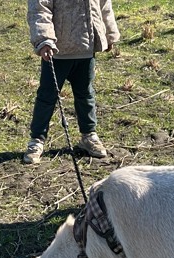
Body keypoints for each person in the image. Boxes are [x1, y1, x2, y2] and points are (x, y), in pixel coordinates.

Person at [23, 0, 120, 164]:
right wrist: (44, 39)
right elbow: (39, 8)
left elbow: (104, 5)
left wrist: (109, 33)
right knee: (47, 96)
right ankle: (36, 141)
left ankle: (89, 136)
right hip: (57, 50)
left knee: (85, 94)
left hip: (86, 49)